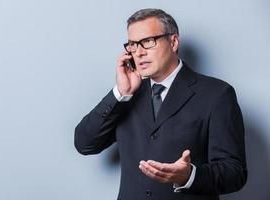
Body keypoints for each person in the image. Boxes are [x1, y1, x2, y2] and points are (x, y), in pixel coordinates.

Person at [74, 8, 247, 200]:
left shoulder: (217, 94)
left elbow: (235, 173)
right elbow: (84, 143)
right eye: (132, 44)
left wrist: (189, 176)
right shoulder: (127, 95)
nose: (138, 52)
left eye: (148, 42)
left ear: (173, 42)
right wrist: (120, 94)